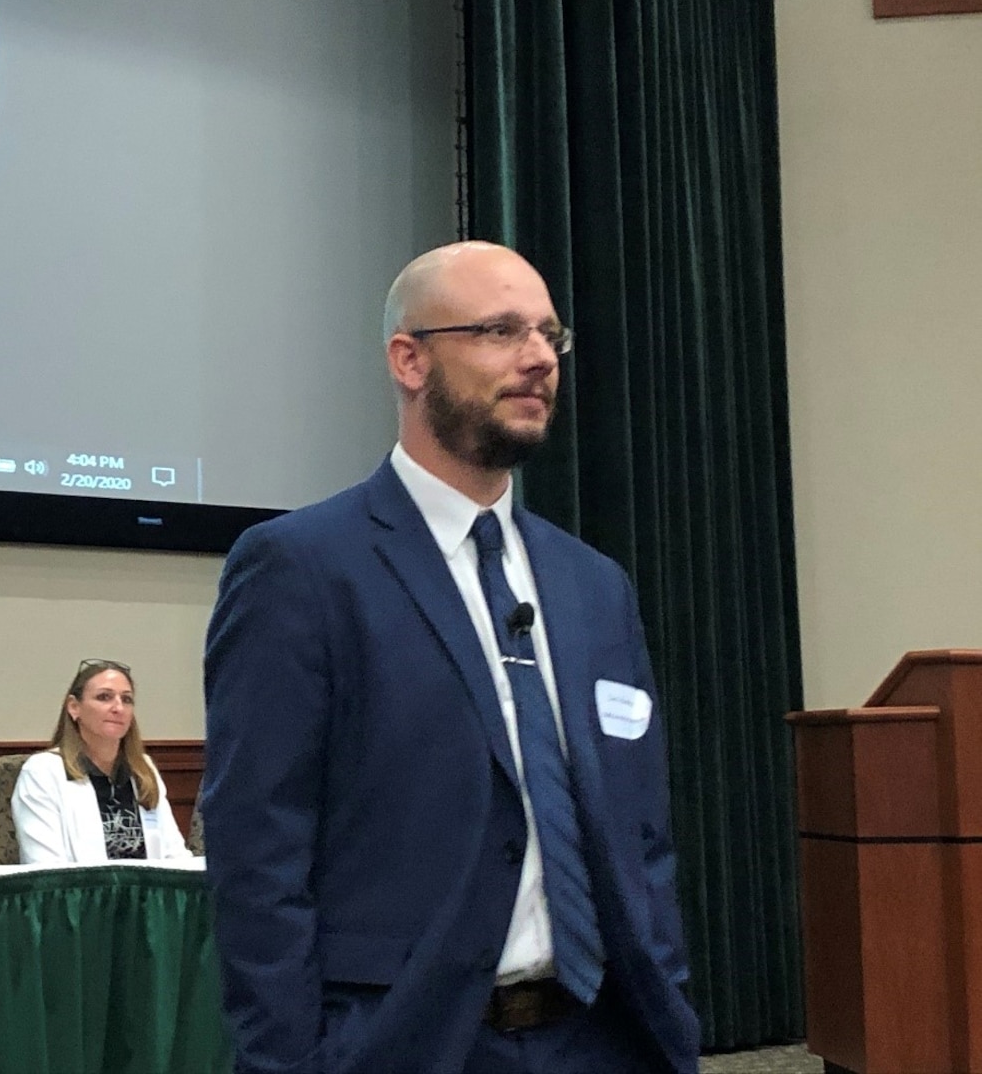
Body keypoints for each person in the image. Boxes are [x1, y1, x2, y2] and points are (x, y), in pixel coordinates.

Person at [201, 241, 699, 1073]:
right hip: (408, 1043)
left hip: (604, 1038)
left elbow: (641, 832)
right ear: (409, 359)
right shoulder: (302, 567)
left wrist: (668, 1006)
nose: (537, 357)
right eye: (500, 331)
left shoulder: (593, 585)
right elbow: (258, 854)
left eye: (547, 334)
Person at [12, 659, 191, 864]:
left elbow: (175, 856)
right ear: (74, 707)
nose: (118, 707)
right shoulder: (43, 772)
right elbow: (46, 868)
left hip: (149, 894)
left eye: (127, 699)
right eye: (104, 697)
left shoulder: (143, 768)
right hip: (79, 894)